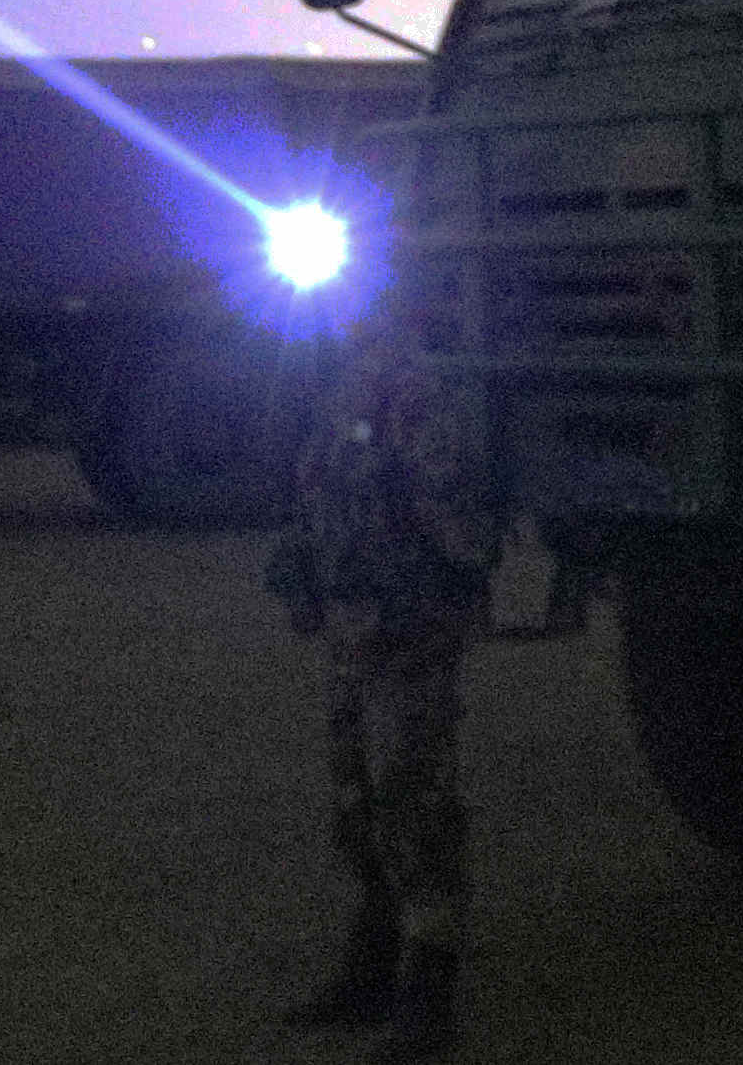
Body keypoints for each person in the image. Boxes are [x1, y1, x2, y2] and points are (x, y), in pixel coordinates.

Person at [266, 271, 498, 1049]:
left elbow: (457, 514)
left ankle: (429, 989)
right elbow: (320, 492)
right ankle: (375, 956)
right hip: (355, 622)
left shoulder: (416, 387)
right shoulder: (341, 386)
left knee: (412, 796)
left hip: (408, 622)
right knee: (357, 799)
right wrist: (306, 561)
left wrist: (429, 583)